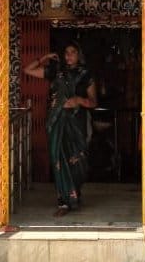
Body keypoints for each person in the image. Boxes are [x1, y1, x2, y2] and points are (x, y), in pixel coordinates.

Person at [24, 42, 97, 216]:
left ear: (79, 55)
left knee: (78, 162)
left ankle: (75, 194)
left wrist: (79, 100)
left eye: (73, 52)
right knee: (59, 161)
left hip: (77, 125)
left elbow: (94, 102)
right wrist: (44, 58)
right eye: (66, 52)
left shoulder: (86, 75)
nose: (69, 55)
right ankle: (63, 202)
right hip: (56, 123)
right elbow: (27, 70)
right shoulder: (56, 72)